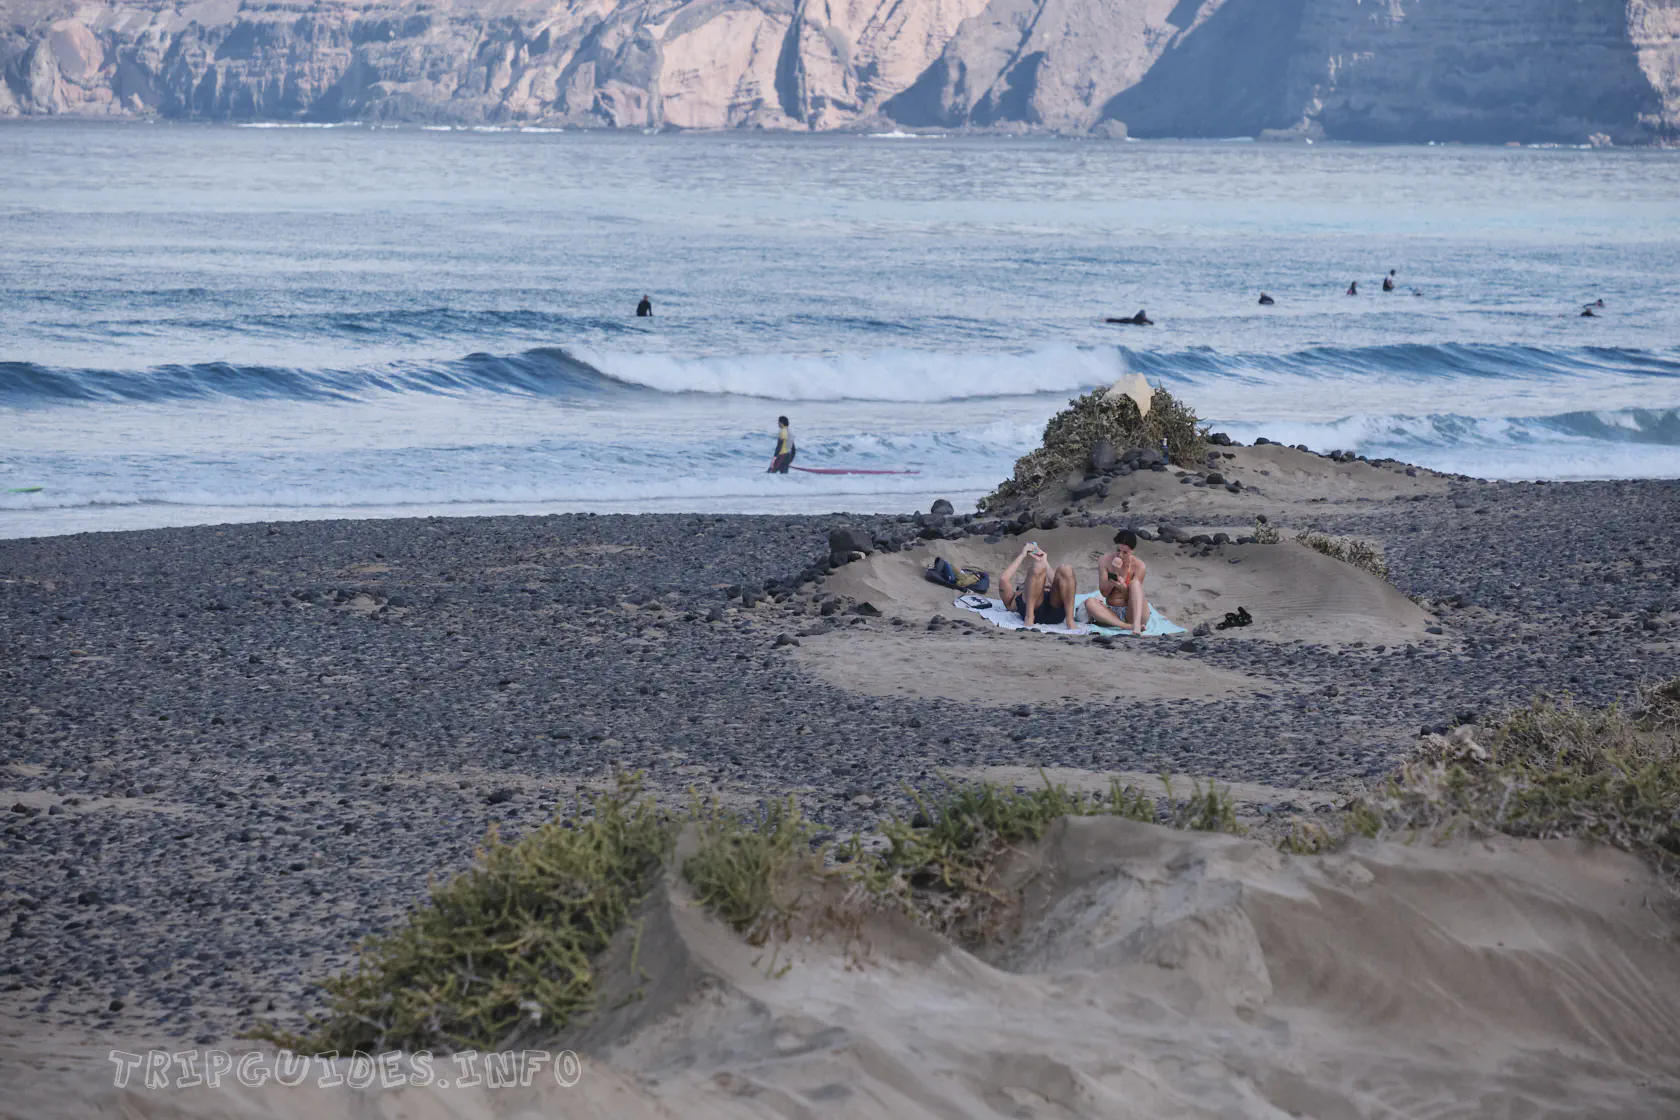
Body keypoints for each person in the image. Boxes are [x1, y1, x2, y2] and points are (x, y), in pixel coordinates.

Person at [1083, 529, 1149, 635]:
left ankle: (1136, 625)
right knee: (1090, 602)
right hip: (1113, 612)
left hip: (1133, 611)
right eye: (1118, 550)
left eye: (1125, 553)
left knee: (1135, 584)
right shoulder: (1104, 561)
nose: (1120, 555)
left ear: (1133, 551)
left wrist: (1124, 590)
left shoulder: (1139, 566)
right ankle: (1127, 626)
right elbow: (1104, 593)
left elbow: (1136, 596)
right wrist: (1114, 571)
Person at [997, 541, 1077, 629]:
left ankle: (1070, 621)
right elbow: (1003, 579)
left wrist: (1044, 561)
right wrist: (1022, 555)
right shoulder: (1015, 598)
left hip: (1055, 610)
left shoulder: (1049, 589)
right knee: (1038, 567)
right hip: (1033, 610)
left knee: (1066, 569)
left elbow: (1061, 580)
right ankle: (1029, 617)